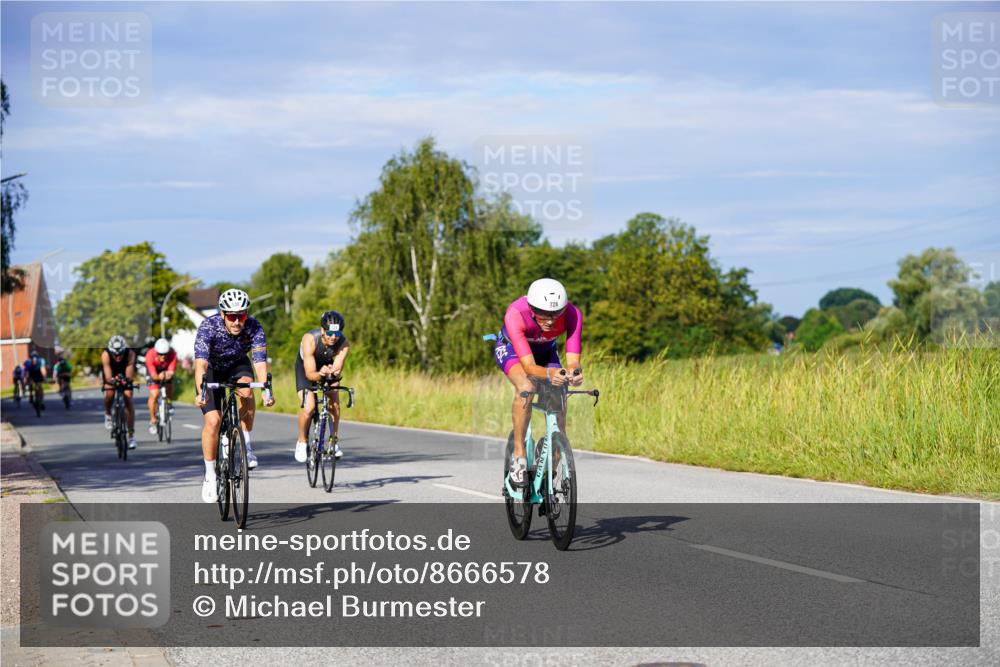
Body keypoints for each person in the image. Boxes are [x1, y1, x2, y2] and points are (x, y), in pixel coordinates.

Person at [492, 278, 583, 487]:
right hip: (514, 351)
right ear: (532, 308)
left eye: (556, 314)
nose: (550, 320)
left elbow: (573, 360)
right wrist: (552, 374)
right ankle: (519, 456)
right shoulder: (515, 314)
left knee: (560, 392)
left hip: (546, 351)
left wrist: (574, 373)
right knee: (526, 387)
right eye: (543, 314)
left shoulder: (573, 314)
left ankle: (557, 451)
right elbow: (529, 368)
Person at [194, 288, 274, 503]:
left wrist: (266, 389)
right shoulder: (208, 327)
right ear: (223, 314)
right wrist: (201, 391)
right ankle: (210, 475)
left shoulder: (255, 327)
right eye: (232, 316)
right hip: (211, 368)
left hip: (238, 365)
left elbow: (259, 361)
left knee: (247, 391)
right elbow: (200, 364)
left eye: (242, 316)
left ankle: (246, 443)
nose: (237, 322)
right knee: (213, 420)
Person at [294, 310, 350, 463]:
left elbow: (337, 369)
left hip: (326, 366)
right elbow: (310, 374)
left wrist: (332, 374)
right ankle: (301, 441)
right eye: (330, 333)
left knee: (334, 401)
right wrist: (320, 374)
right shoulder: (310, 339)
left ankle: (333, 442)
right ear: (322, 329)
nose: (333, 337)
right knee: (309, 407)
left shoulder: (343, 344)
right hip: (306, 369)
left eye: (337, 333)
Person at [102, 335, 137, 449]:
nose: (118, 357)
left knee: (128, 397)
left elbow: (129, 371)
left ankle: (131, 436)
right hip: (111, 374)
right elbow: (107, 375)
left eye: (120, 354)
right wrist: (111, 380)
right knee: (110, 393)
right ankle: (108, 414)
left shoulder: (130, 353)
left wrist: (127, 381)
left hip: (124, 372)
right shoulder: (106, 354)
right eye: (115, 355)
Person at [145, 338, 177, 435]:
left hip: (166, 371)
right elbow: (154, 375)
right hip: (154, 372)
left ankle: (170, 403)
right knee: (154, 394)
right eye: (160, 354)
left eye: (165, 354)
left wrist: (168, 375)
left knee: (169, 386)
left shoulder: (172, 354)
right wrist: (158, 377)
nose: (163, 356)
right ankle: (153, 419)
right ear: (156, 352)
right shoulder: (150, 355)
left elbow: (171, 371)